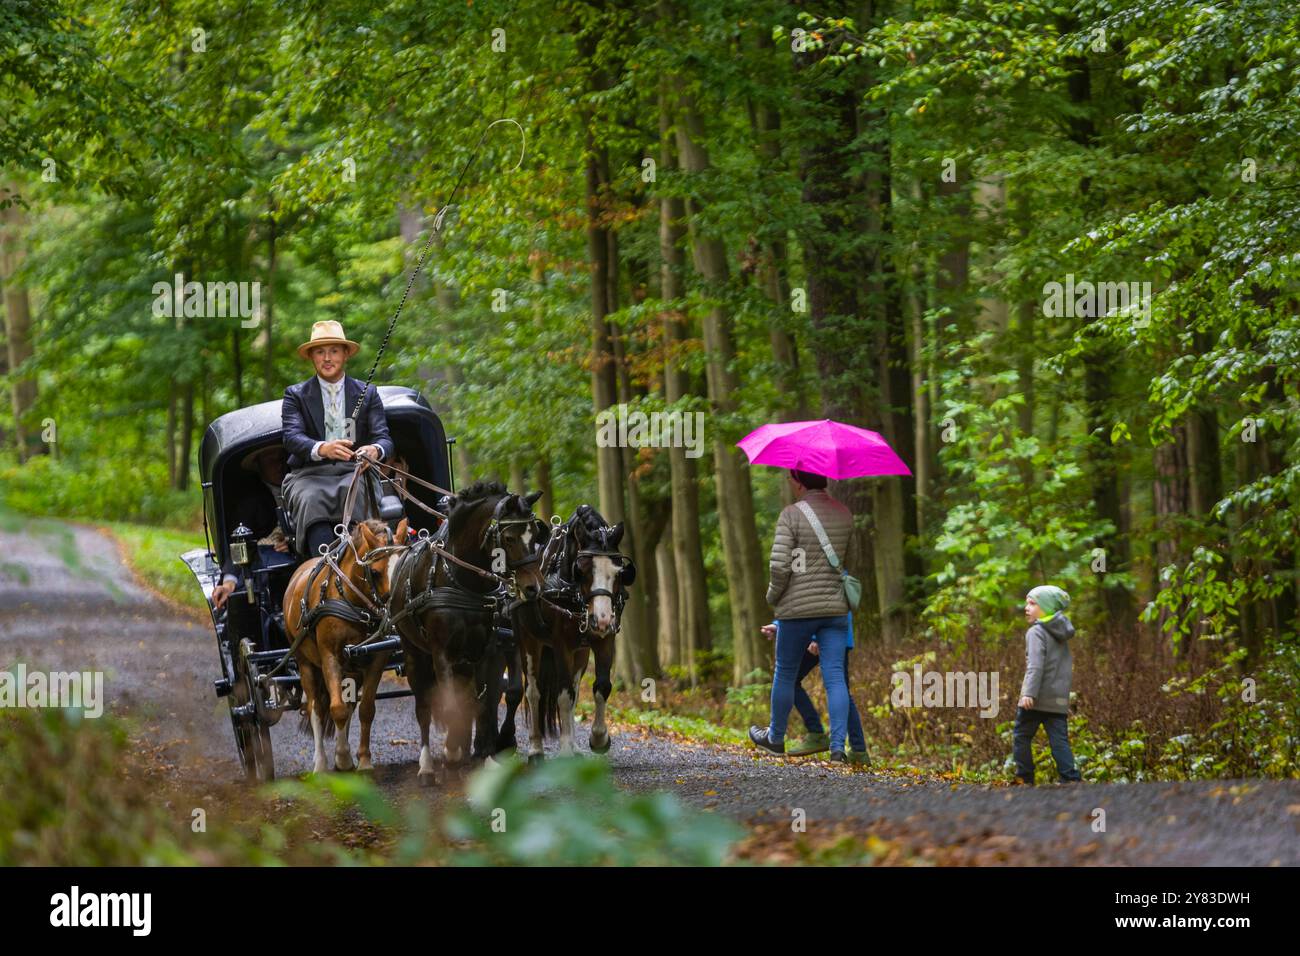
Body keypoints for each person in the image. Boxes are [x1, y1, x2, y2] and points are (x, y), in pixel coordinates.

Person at [750, 467, 861, 763]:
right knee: (835, 677)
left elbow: (779, 565)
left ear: (799, 482)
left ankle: (775, 737)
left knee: (785, 673)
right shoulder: (844, 513)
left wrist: (774, 595)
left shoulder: (791, 514)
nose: (789, 483)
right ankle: (838, 748)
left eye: (790, 478)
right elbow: (850, 561)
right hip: (835, 610)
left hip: (797, 611)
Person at [280, 320, 394, 557]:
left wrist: (374, 450)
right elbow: (291, 437)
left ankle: (362, 565)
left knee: (356, 494)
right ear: (312, 357)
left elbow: (384, 438)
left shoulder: (368, 393)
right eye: (320, 352)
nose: (327, 358)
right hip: (309, 476)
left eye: (334, 351)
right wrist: (323, 449)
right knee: (310, 499)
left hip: (354, 473)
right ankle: (322, 567)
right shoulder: (295, 395)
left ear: (345, 355)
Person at [761, 616, 869, 762]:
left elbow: (806, 598)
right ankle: (858, 751)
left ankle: (816, 733)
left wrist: (815, 636)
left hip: (818, 630)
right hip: (838, 628)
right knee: (841, 687)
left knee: (788, 680)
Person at [1013, 584, 1083, 785]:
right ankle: (1070, 778)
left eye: (1033, 603)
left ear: (1046, 607)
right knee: (1059, 740)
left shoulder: (1036, 632)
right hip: (1058, 698)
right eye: (1027, 603)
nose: (1027, 607)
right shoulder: (1061, 631)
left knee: (1021, 736)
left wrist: (1028, 693)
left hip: (1035, 699)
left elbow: (1035, 666)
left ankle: (1025, 778)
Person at [210, 446, 293, 609]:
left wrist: (294, 543)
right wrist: (228, 582)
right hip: (265, 570)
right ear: (259, 466)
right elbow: (239, 540)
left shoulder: (301, 486)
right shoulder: (250, 499)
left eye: (281, 459)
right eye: (271, 461)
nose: (279, 465)